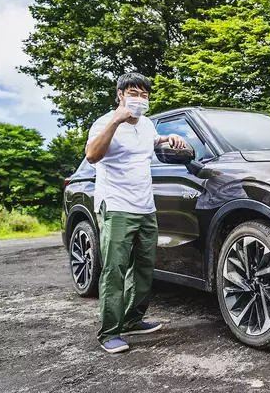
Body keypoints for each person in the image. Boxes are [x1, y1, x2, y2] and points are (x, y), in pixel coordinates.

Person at [85, 72, 186, 354]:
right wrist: (115, 122)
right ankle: (109, 332)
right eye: (133, 94)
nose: (140, 99)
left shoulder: (147, 124)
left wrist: (168, 138)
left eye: (144, 95)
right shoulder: (104, 122)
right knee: (114, 270)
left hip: (145, 207)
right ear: (120, 95)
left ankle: (132, 319)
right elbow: (92, 155)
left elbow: (153, 142)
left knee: (143, 268)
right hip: (117, 206)